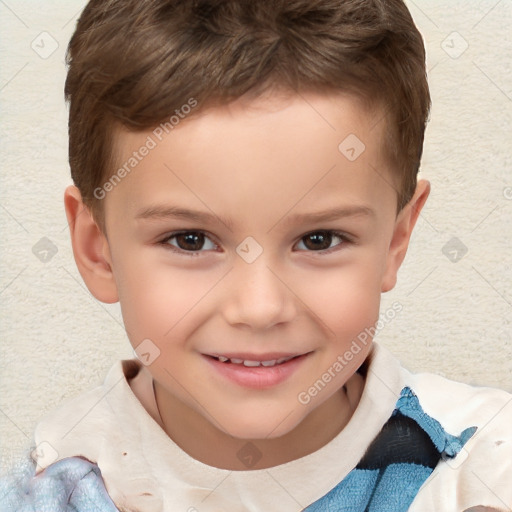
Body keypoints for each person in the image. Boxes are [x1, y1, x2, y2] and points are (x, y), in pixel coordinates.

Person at [1, 0, 510, 510]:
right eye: (190, 240)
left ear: (395, 242)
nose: (260, 308)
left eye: (319, 239)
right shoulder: (55, 486)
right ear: (99, 249)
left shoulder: (482, 465)